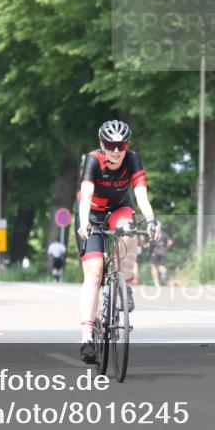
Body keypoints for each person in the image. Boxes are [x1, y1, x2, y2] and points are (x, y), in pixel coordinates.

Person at [76, 120, 160, 364]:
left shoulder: (133, 160)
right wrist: (84, 223)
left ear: (127, 145)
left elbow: (141, 194)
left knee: (129, 232)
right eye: (111, 145)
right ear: (102, 144)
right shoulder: (93, 160)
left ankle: (125, 281)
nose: (116, 150)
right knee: (94, 273)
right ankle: (87, 336)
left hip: (119, 209)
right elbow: (86, 196)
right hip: (91, 213)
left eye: (121, 145)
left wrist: (152, 220)